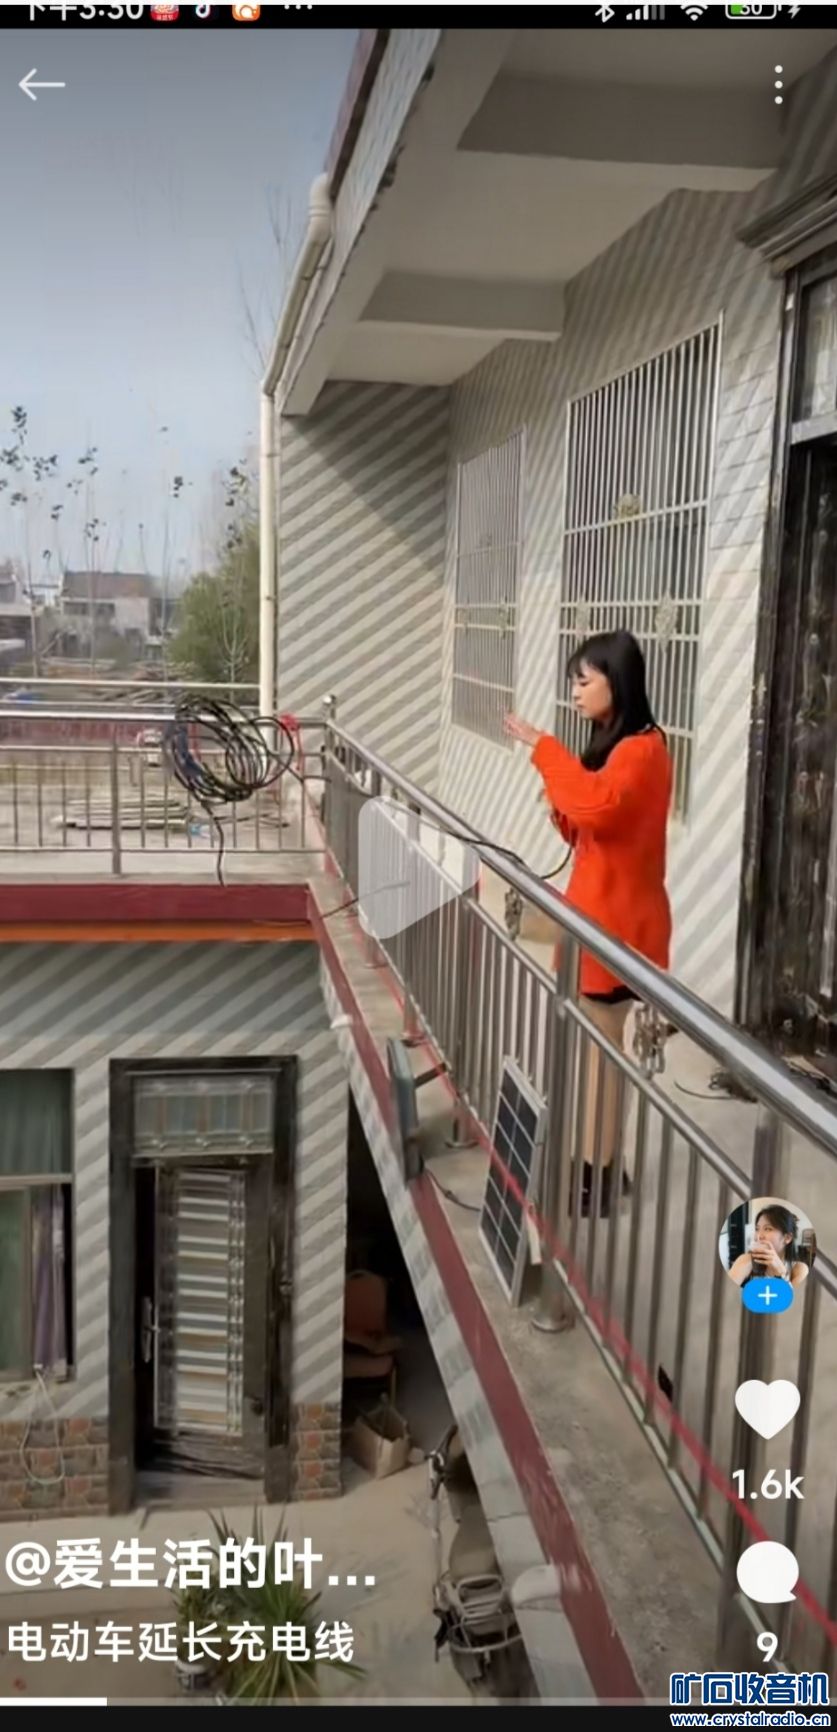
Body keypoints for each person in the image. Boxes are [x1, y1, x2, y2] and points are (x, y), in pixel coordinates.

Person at [505, 629, 672, 1218]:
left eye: (584, 680)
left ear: (616, 682)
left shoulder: (642, 750)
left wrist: (546, 750)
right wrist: (558, 784)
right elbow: (584, 822)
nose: (575, 691)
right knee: (597, 1056)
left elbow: (595, 806)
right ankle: (602, 1167)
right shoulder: (618, 744)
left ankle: (596, 1175)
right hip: (599, 922)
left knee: (602, 1060)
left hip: (617, 929)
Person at [728, 1204, 809, 1289]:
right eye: (757, 1229)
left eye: (767, 1229)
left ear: (787, 1238)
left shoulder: (799, 1269)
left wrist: (781, 1273)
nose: (758, 1236)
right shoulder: (747, 1260)